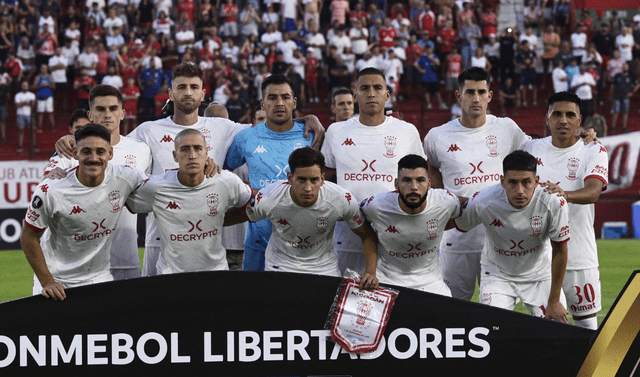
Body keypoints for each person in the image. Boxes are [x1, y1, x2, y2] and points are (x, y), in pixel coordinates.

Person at [55, 64, 324, 276]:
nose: (187, 92)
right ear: (170, 93)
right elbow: (112, 143)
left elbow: (271, 128)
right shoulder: (148, 131)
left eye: (194, 86)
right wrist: (71, 141)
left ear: (203, 93)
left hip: (206, 243)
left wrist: (304, 119)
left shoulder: (224, 127)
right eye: (180, 87)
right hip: (158, 240)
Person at [21, 124, 147, 300]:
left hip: (98, 278)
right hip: (56, 280)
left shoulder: (126, 177)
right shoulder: (51, 189)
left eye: (100, 151)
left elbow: (162, 188)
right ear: (75, 154)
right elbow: (28, 236)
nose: (93, 158)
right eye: (86, 151)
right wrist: (47, 281)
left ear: (110, 154)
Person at [321, 67, 427, 274]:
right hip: (347, 231)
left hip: (394, 230)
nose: (371, 93)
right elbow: (326, 179)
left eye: (377, 88)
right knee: (344, 297)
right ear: (355, 95)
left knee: (393, 298)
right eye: (365, 88)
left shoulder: (406, 131)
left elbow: (420, 179)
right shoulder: (335, 131)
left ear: (387, 95)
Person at [44, 85, 152, 280]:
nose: (107, 114)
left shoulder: (142, 149)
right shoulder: (72, 149)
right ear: (90, 114)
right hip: (81, 265)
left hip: (125, 259)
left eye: (112, 109)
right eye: (100, 109)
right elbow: (48, 182)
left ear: (122, 113)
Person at [235, 147, 378, 289]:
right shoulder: (269, 197)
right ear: (290, 178)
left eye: (314, 180)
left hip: (324, 268)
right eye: (302, 180)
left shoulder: (341, 199)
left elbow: (366, 234)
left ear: (322, 179)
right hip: (280, 265)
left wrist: (371, 272)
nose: (308, 188)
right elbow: (242, 215)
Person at [523, 91, 608, 329]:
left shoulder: (593, 150)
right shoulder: (529, 148)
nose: (563, 120)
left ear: (579, 120)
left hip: (580, 254)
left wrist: (564, 194)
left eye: (570, 115)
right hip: (540, 257)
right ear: (547, 118)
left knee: (587, 327)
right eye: (557, 114)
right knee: (546, 329)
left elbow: (593, 192)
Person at [453, 150, 570, 322]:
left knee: (557, 327)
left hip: (539, 275)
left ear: (536, 181)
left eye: (526, 182)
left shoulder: (554, 201)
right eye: (513, 183)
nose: (520, 190)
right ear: (502, 181)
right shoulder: (484, 201)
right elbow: (458, 223)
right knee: (491, 330)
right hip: (498, 274)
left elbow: (560, 249)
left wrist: (554, 301)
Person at [223, 74, 316, 271]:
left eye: (285, 97)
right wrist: (243, 192)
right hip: (258, 242)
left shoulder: (312, 135)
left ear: (294, 102)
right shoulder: (246, 137)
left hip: (303, 242)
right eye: (272, 98)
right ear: (262, 103)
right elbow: (222, 173)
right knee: (255, 300)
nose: (279, 103)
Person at [127, 129, 252, 274]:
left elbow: (253, 203)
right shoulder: (156, 186)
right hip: (171, 274)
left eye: (198, 149)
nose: (192, 156)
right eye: (185, 149)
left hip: (215, 273)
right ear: (175, 155)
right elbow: (122, 195)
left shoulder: (226, 181)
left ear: (206, 153)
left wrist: (218, 219)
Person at [359, 154, 460, 294]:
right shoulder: (375, 206)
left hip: (431, 281)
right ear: (396, 184)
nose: (414, 187)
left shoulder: (447, 202)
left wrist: (440, 226)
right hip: (387, 279)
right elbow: (355, 220)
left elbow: (473, 207)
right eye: (406, 180)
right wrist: (370, 271)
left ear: (429, 184)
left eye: (420, 180)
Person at [610, 63, 639, 133]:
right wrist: (611, 95)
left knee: (625, 113)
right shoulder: (617, 76)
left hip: (626, 97)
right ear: (622, 68)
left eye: (626, 66)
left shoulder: (631, 77)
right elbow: (612, 86)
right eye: (624, 66)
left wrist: (632, 92)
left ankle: (624, 127)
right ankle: (612, 127)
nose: (625, 68)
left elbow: (638, 85)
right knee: (616, 112)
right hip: (617, 97)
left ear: (628, 68)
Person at [15, 80, 36, 153]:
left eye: (26, 85)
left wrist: (22, 103)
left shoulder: (31, 95)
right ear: (21, 86)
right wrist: (26, 103)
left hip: (29, 114)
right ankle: (20, 145)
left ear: (28, 86)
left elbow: (32, 105)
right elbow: (17, 105)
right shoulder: (18, 95)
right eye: (23, 85)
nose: (24, 86)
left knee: (32, 131)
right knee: (21, 130)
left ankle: (33, 145)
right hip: (20, 114)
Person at [33, 64, 55, 132]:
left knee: (50, 112)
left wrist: (48, 85)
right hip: (40, 97)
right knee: (40, 113)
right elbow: (34, 86)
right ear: (40, 69)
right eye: (42, 68)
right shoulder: (38, 77)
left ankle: (53, 127)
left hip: (49, 97)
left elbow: (54, 86)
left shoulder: (50, 76)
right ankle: (40, 127)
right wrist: (41, 86)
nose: (44, 69)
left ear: (47, 69)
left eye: (45, 68)